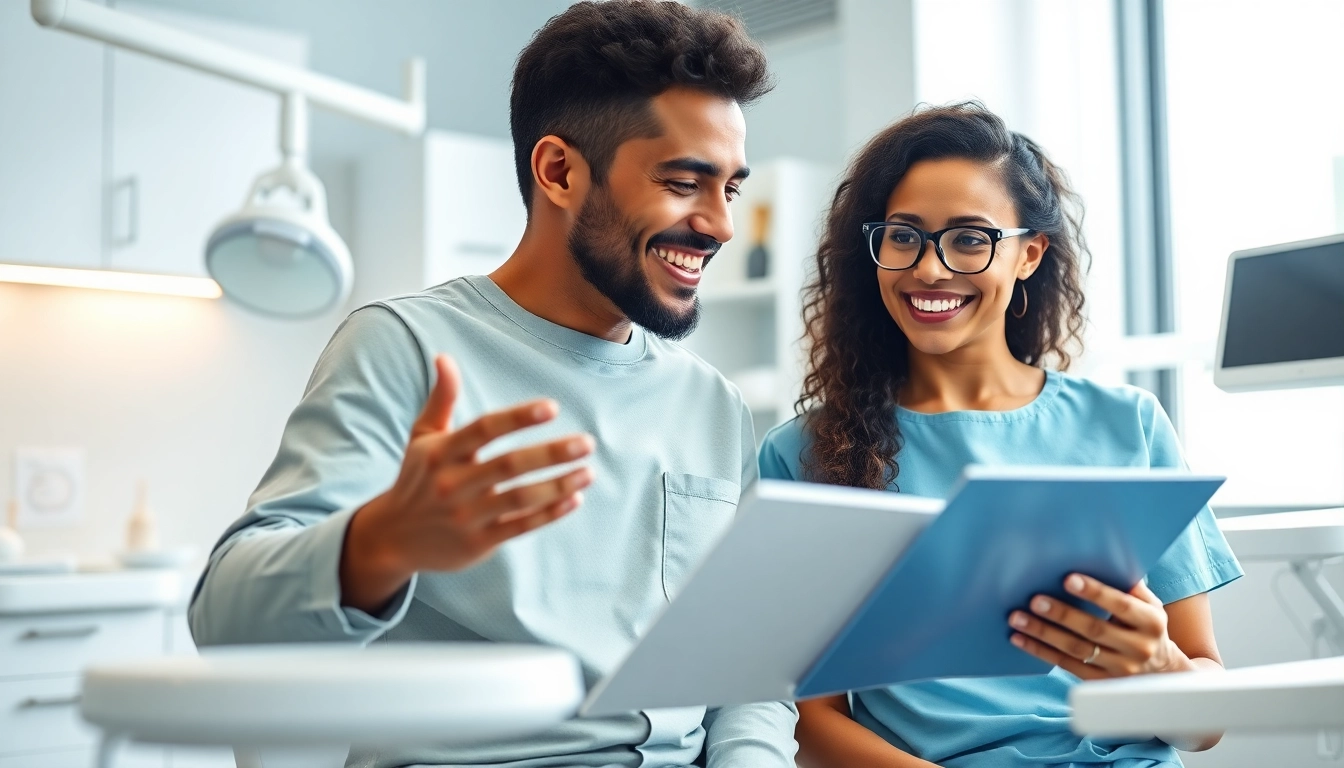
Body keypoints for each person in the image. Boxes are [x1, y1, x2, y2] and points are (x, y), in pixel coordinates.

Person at [189, 3, 799, 766]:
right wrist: (383, 540)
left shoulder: (713, 405)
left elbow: (747, 671)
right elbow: (222, 618)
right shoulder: (406, 348)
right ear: (560, 172)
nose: (718, 225)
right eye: (684, 183)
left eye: (730, 190)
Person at [759, 103, 1243, 768]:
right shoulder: (803, 455)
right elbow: (808, 721)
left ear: (1028, 255)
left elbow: (1205, 726)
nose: (930, 268)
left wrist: (1159, 663)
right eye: (904, 236)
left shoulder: (1128, 425)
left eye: (969, 239)